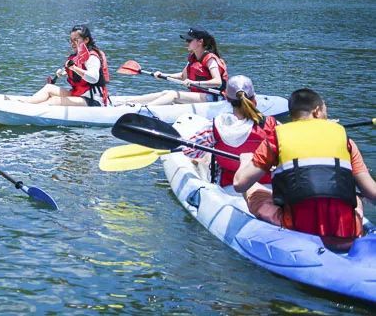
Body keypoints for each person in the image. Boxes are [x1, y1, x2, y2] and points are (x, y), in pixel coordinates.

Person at [234, 88, 376, 251]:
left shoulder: (276, 137)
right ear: (317, 111)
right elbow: (372, 193)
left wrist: (244, 161)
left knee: (254, 189)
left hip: (297, 228)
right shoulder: (345, 139)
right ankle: (352, 225)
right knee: (357, 197)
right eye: (325, 112)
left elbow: (239, 184)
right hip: (347, 232)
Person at [181, 75, 277, 188]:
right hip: (268, 185)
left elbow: (189, 151)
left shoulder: (215, 125)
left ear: (226, 98)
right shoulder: (271, 124)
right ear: (254, 98)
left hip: (229, 186)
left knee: (207, 152)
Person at [124, 27, 228, 106]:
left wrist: (195, 83)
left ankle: (144, 109)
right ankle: (125, 102)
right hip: (201, 95)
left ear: (200, 42)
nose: (186, 43)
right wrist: (162, 75)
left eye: (189, 40)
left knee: (173, 94)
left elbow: (217, 82)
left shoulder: (210, 59)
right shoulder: (193, 57)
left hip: (213, 97)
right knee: (165, 92)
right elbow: (183, 76)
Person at [21, 24, 110, 106]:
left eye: (76, 40)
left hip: (94, 100)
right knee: (49, 88)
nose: (72, 44)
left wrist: (74, 68)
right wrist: (64, 72)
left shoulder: (92, 57)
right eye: (71, 41)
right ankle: (24, 104)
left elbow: (94, 78)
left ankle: (29, 110)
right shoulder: (76, 56)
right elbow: (77, 74)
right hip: (79, 94)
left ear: (86, 40)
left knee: (55, 100)